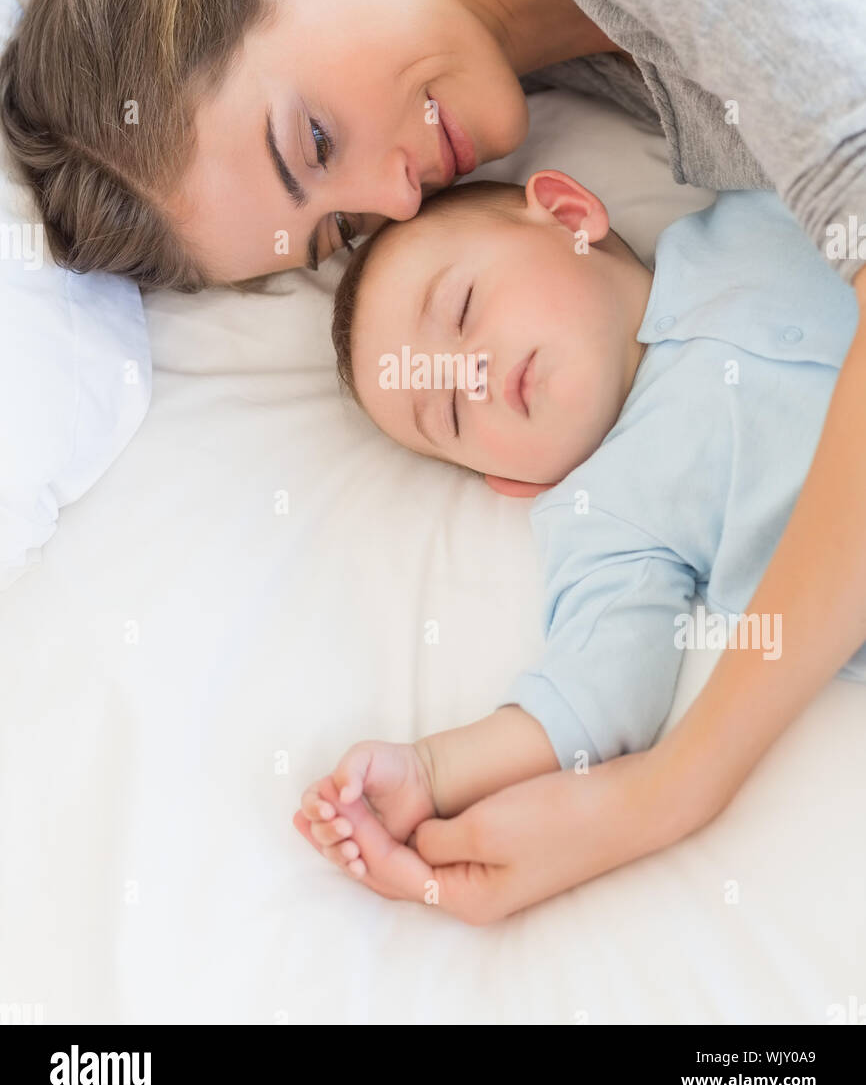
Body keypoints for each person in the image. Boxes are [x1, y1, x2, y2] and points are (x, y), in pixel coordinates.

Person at [4, 0, 866, 920]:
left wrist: (671, 786)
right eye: (342, 232)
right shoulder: (580, 64)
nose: (397, 194)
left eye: (311, 144)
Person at [293, 172, 866, 914]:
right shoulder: (606, 517)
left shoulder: (758, 214)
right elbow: (595, 693)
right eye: (451, 417)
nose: (472, 377)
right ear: (512, 482)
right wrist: (432, 772)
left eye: (464, 310)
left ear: (569, 215)